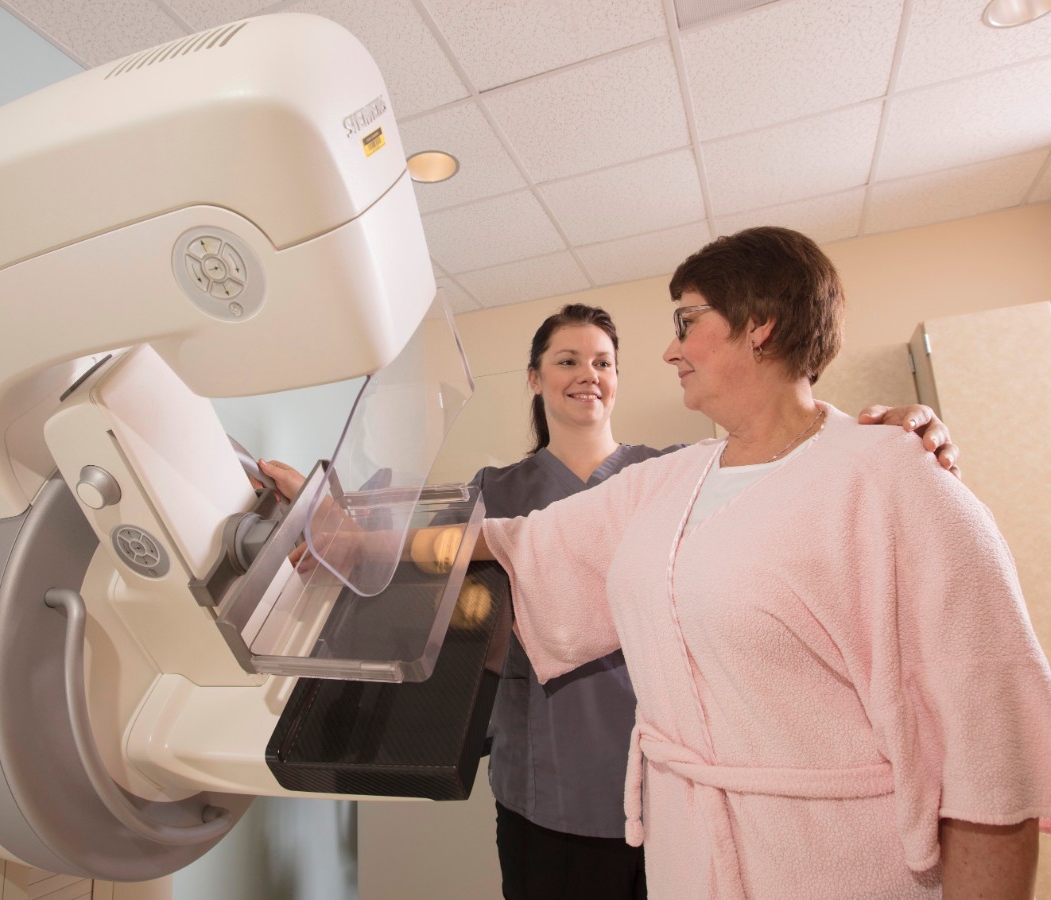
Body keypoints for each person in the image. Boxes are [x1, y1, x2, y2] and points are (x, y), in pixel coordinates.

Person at [258, 293, 962, 900]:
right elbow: (401, 553)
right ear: (534, 377)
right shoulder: (493, 494)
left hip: (684, 794)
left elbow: (790, 477)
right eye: (567, 360)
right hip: (550, 794)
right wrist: (327, 523)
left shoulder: (675, 474)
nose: (587, 375)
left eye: (602, 362)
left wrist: (880, 435)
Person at [462, 227, 1051, 898]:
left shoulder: (897, 477)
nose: (670, 348)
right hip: (686, 854)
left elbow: (990, 745)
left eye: (687, 321)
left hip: (835, 865)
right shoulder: (669, 482)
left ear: (760, 325)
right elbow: (516, 541)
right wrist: (343, 535)